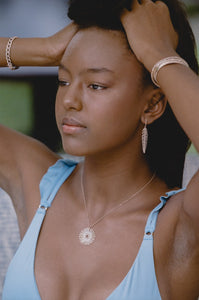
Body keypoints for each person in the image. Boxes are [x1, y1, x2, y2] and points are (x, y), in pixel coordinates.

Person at [1, 0, 199, 299]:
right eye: (63, 79)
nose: (70, 100)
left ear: (153, 104)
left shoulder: (179, 228)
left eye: (96, 85)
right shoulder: (35, 182)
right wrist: (44, 48)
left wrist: (160, 55)